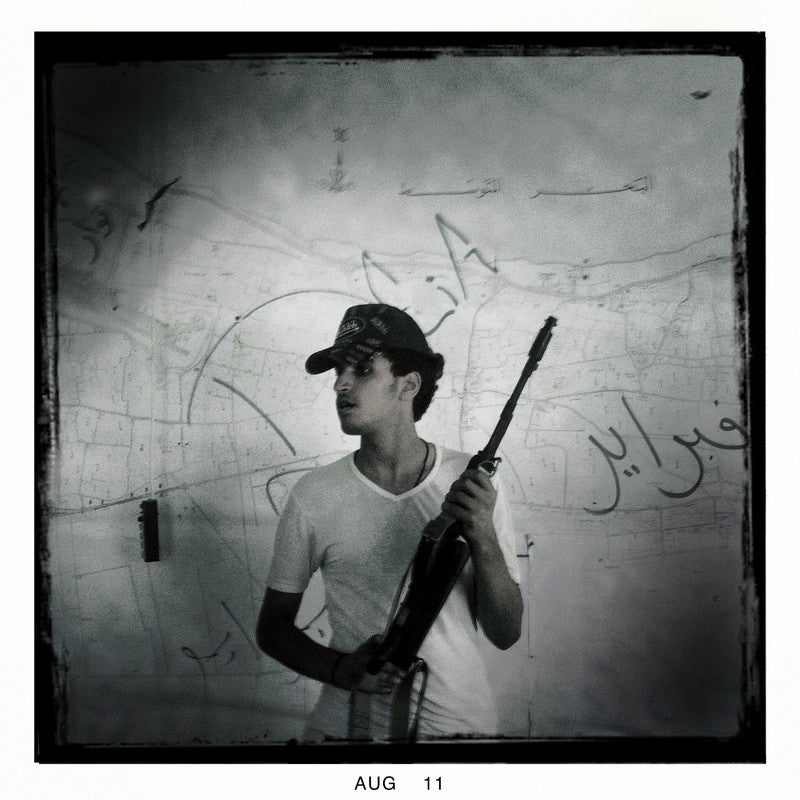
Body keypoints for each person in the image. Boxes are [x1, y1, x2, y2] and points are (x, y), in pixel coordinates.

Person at [256, 304, 523, 741]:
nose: (341, 383)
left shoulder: (473, 486)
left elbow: (506, 632)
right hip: (347, 734)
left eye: (362, 369)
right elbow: (272, 628)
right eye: (339, 370)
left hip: (459, 733)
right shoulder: (314, 494)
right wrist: (341, 669)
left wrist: (482, 533)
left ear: (409, 384)